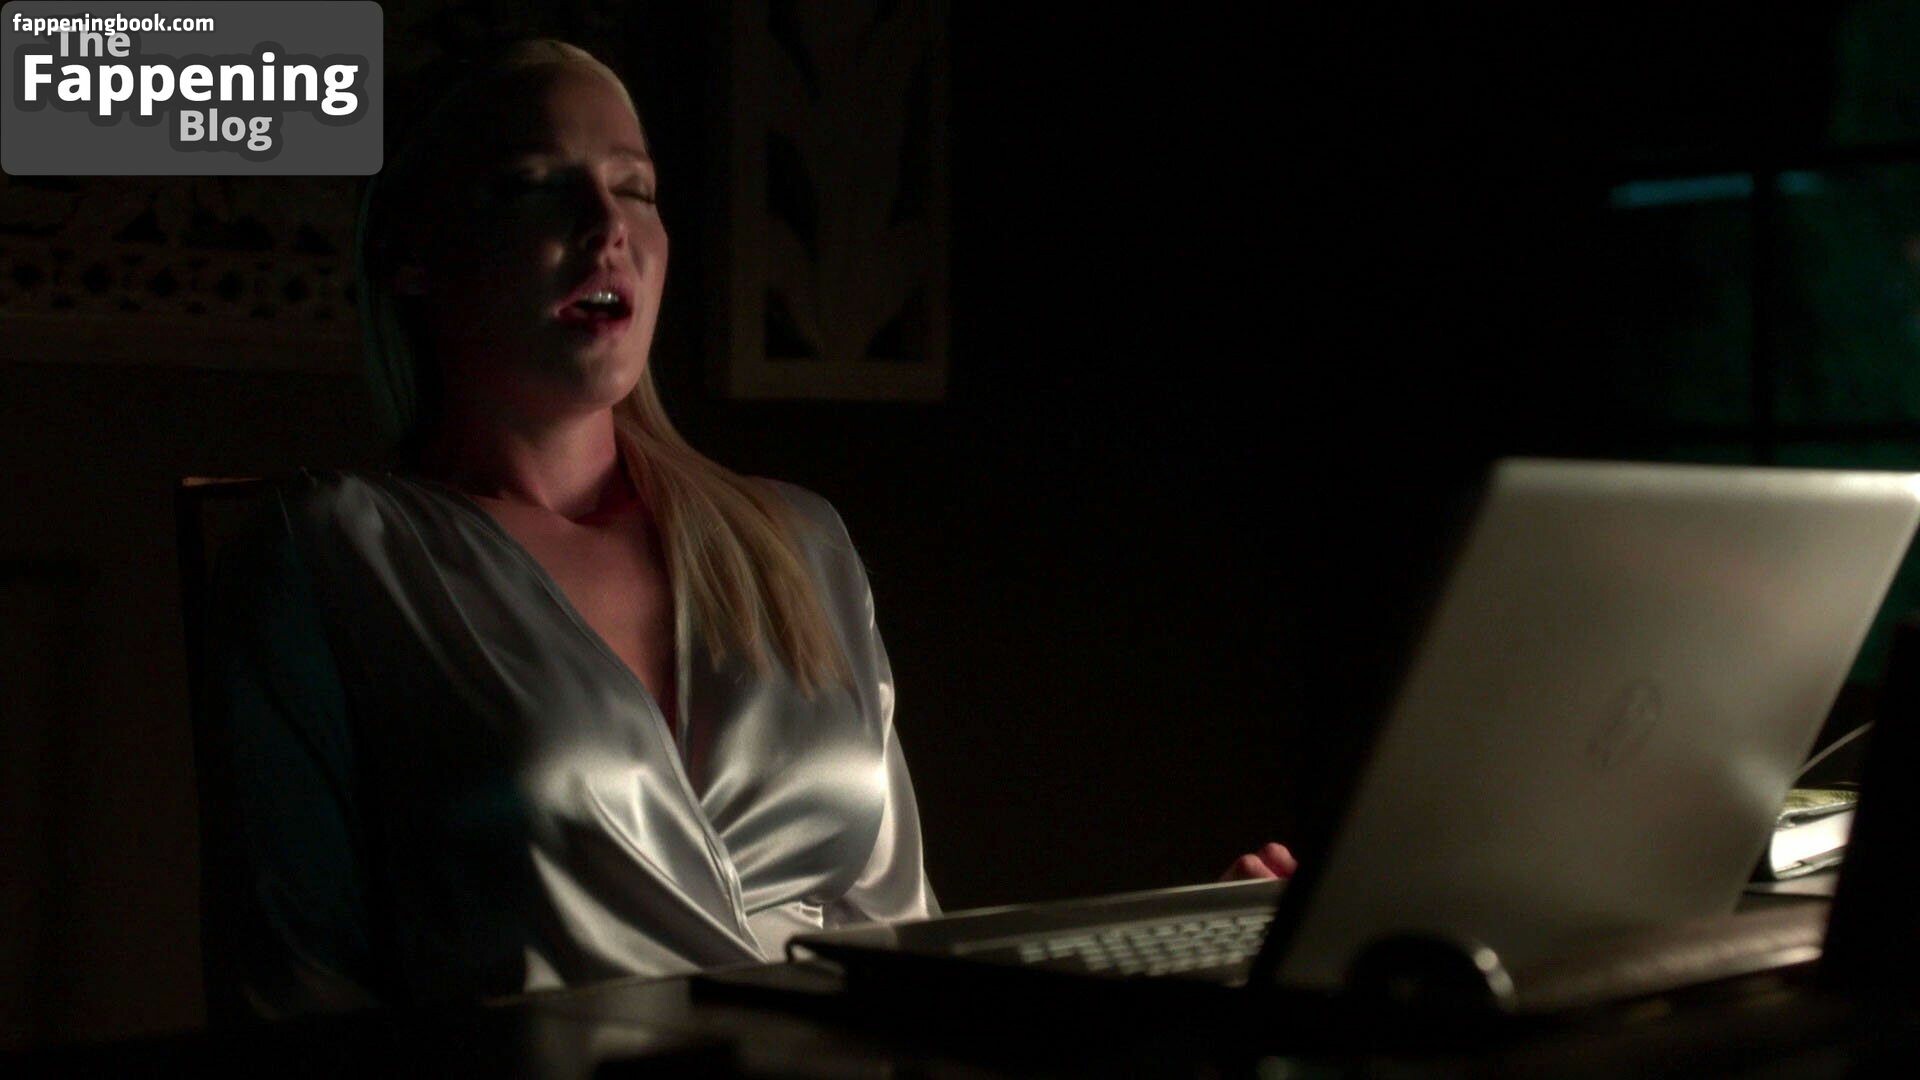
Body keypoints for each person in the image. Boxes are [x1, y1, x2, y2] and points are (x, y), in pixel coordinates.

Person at [201, 38, 1287, 1020]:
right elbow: (298, 988)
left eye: (635, 189)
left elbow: (904, 949)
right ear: (410, 251)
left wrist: (1197, 949)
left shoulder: (796, 543)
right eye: (536, 185)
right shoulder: (332, 554)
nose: (607, 229)